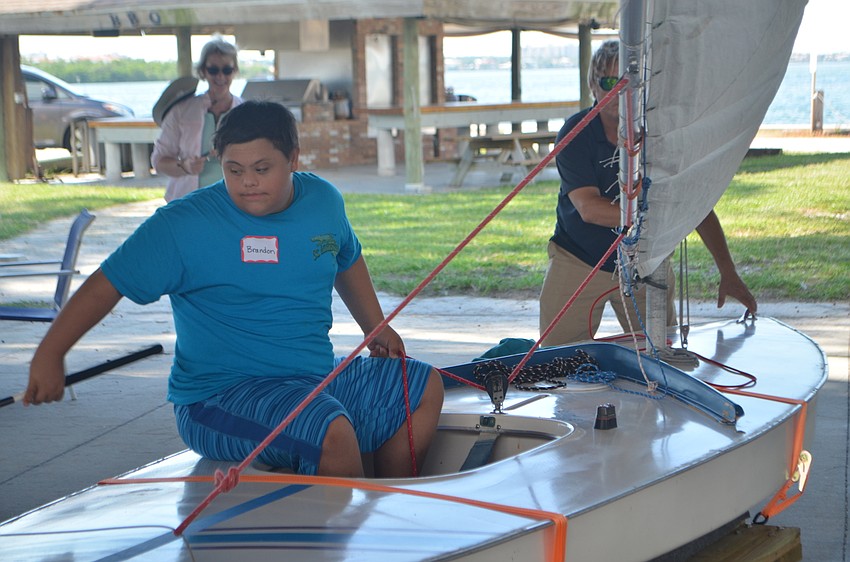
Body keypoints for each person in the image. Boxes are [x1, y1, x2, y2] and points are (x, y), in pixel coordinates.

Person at [24, 100, 444, 479]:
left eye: (262, 169)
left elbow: (346, 258)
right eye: (234, 170)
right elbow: (107, 283)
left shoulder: (323, 200)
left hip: (313, 376)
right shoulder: (183, 224)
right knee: (330, 431)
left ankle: (395, 508)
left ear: (293, 159)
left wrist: (376, 326)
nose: (247, 183)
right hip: (218, 396)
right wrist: (50, 352)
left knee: (421, 386)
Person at [539, 39, 758, 347]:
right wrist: (664, 213)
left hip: (646, 261)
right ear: (593, 85)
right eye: (609, 82)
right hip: (579, 259)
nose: (619, 91)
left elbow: (695, 206)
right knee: (556, 361)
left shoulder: (661, 136)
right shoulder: (576, 132)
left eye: (630, 83)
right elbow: (589, 209)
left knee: (660, 358)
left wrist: (728, 271)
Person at [152, 35, 244, 202]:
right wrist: (184, 166)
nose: (220, 76)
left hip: (234, 204)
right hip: (187, 203)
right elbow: (159, 161)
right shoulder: (180, 111)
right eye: (213, 70)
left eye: (227, 70)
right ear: (203, 72)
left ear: (235, 71)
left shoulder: (247, 113)